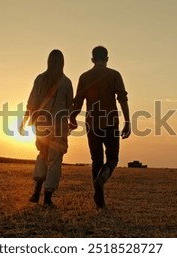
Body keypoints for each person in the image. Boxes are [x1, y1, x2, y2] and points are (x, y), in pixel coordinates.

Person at [69, 46, 131, 209]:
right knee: (112, 159)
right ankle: (101, 180)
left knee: (96, 160)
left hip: (92, 124)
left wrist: (72, 118)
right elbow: (122, 99)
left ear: (92, 60)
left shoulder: (84, 77)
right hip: (111, 123)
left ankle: (99, 199)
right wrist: (128, 121)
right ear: (107, 59)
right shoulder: (114, 75)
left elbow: (78, 102)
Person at [20, 49, 73, 208]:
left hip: (40, 125)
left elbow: (31, 102)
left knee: (42, 155)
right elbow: (70, 105)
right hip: (58, 126)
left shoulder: (40, 79)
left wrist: (24, 122)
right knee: (55, 160)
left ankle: (36, 193)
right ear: (63, 63)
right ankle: (48, 198)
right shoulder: (66, 82)